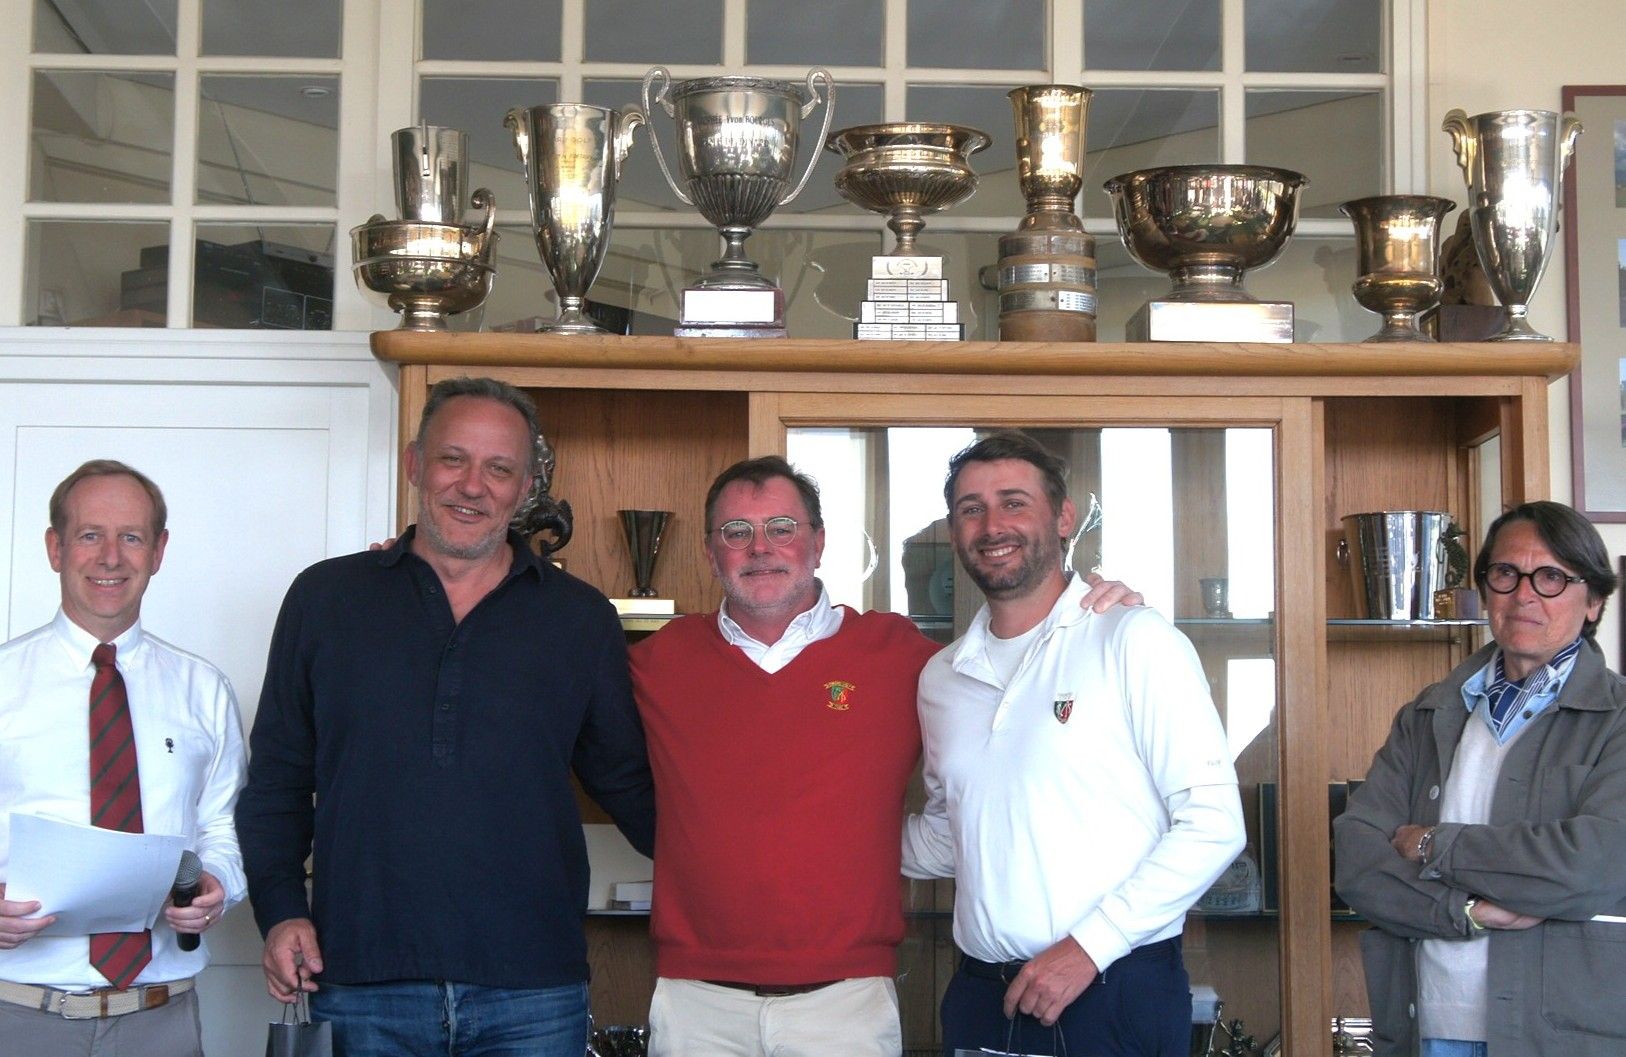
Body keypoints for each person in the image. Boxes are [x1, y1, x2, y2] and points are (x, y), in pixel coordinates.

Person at [630, 453, 1139, 1057]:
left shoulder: (906, 658)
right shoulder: (654, 663)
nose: (760, 547)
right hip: (695, 1002)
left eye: (782, 528)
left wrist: (1087, 608)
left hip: (845, 1002)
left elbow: (1021, 680)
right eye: (736, 531)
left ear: (819, 543)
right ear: (711, 552)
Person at [235, 376, 654, 1057]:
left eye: (499, 469)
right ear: (414, 465)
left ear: (525, 489)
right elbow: (278, 782)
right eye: (453, 459)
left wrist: (748, 867)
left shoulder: (580, 618)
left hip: (533, 987)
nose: (472, 486)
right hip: (362, 979)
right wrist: (280, 910)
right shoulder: (325, 599)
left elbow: (629, 783)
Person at [902, 430, 1245, 1057]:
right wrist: (809, 840)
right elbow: (954, 833)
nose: (992, 525)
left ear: (1063, 518)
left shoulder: (1133, 638)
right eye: (972, 509)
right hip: (982, 994)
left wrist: (1089, 948)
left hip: (1113, 988)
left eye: (1014, 502)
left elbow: (1214, 824)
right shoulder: (941, 678)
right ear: (954, 532)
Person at [1333, 500, 1626, 1057]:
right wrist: (1464, 911)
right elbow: (1356, 860)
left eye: (1551, 578)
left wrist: (1431, 844)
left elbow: (1596, 863)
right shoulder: (1427, 713)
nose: (1524, 595)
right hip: (1425, 1024)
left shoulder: (1618, 720)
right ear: (1486, 589)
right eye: (1505, 573)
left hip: (1559, 1034)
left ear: (1593, 601)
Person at [0, 460, 245, 1057]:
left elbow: (223, 827)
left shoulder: (203, 689)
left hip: (160, 1020)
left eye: (131, 537)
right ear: (55, 548)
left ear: (158, 552)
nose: (110, 557)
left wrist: (219, 884)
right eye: (90, 535)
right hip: (17, 1013)